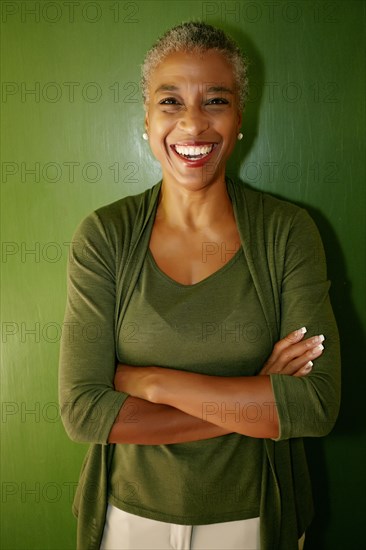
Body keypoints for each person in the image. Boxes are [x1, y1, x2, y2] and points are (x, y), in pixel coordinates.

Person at [59, 21, 341, 550]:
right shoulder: (105, 235)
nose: (192, 125)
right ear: (146, 120)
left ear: (239, 121)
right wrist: (251, 401)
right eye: (170, 101)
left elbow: (315, 405)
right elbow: (83, 411)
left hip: (258, 517)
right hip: (127, 518)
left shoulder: (287, 232)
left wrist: (150, 382)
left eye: (215, 100)